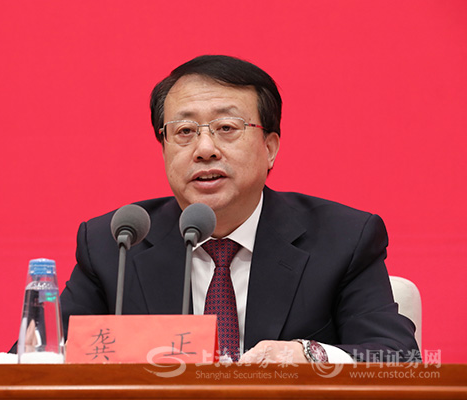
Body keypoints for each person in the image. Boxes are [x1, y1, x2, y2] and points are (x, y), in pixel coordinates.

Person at [59, 55, 419, 363]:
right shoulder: (115, 244)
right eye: (184, 131)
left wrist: (308, 354)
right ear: (164, 148)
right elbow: (44, 356)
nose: (204, 149)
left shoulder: (342, 239)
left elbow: (397, 357)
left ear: (270, 148)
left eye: (227, 127)